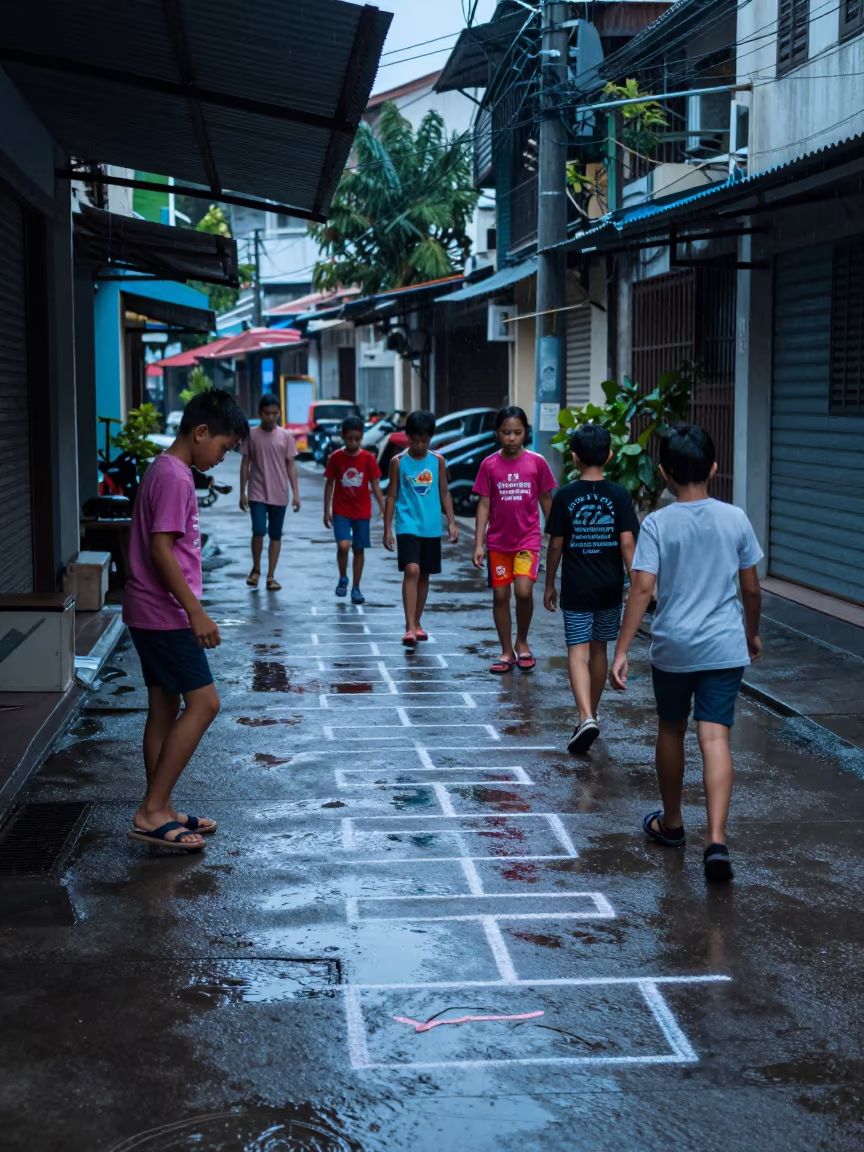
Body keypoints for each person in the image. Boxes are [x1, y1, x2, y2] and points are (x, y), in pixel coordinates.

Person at [609, 424, 763, 883]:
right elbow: (751, 590)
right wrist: (750, 634)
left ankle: (672, 825)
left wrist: (621, 649)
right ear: (715, 468)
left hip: (673, 647)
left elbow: (641, 589)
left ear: (663, 473)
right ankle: (716, 840)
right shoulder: (735, 518)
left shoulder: (657, 524)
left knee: (671, 730)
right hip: (723, 646)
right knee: (715, 738)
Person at [124, 389, 249, 852]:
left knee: (164, 708)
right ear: (200, 433)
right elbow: (161, 549)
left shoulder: (162, 469)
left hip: (147, 611)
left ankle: (161, 805)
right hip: (166, 615)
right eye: (223, 447)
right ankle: (152, 810)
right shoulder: (176, 478)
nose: (222, 457)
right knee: (205, 704)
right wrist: (195, 611)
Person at [544, 423, 639, 752]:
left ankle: (585, 716)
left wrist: (549, 584)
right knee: (599, 649)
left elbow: (555, 546)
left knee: (577, 650)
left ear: (573, 457)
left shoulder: (565, 496)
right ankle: (591, 713)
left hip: (576, 586)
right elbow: (628, 544)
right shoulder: (619, 495)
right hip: (609, 586)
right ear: (610, 455)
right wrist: (637, 581)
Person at [472, 407, 557, 674]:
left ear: (526, 433)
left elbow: (546, 499)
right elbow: (484, 504)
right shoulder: (489, 465)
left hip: (527, 541)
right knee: (500, 595)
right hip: (498, 543)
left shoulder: (537, 462)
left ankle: (523, 641)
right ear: (497, 433)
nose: (511, 438)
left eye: (517, 432)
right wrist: (478, 543)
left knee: (522, 591)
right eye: (506, 432)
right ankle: (506, 650)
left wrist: (555, 534)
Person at [384, 409, 458, 646]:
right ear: (407, 436)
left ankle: (417, 622)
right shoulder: (398, 462)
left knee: (424, 573)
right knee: (412, 569)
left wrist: (452, 522)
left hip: (431, 526)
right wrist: (387, 528)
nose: (418, 444)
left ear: (430, 438)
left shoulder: (437, 461)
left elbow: (444, 492)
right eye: (414, 439)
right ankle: (408, 626)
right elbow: (392, 496)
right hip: (407, 524)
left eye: (423, 440)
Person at [239, 393, 301, 591]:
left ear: (279, 413)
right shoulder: (251, 434)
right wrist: (242, 492)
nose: (271, 417)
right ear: (260, 413)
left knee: (275, 535)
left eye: (275, 413)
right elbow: (245, 463)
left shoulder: (286, 436)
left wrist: (296, 493)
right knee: (258, 530)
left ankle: (271, 576)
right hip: (257, 491)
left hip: (279, 493)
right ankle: (256, 569)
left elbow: (291, 465)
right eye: (267, 413)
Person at [324, 414, 385, 604]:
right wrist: (326, 510)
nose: (353, 442)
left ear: (361, 437)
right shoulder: (336, 458)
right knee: (344, 545)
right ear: (342, 436)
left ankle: (356, 588)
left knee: (359, 549)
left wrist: (384, 509)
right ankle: (343, 577)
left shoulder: (368, 459)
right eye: (349, 438)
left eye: (357, 439)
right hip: (341, 510)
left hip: (361, 511)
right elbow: (329, 484)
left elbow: (376, 485)